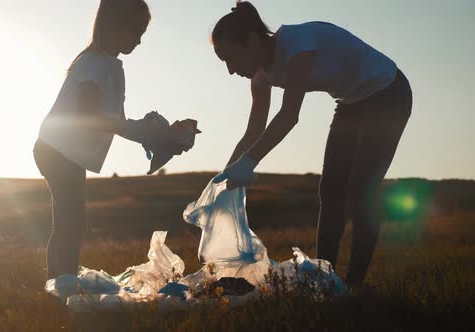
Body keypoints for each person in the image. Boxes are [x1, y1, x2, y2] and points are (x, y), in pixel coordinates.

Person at [212, 1, 412, 286]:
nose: (230, 70)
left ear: (253, 40)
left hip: (388, 93)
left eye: (230, 58)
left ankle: (354, 286)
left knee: (360, 190)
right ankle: (325, 280)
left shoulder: (296, 45)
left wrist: (248, 162)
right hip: (351, 103)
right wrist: (225, 176)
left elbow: (289, 116)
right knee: (330, 191)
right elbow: (254, 130)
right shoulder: (260, 77)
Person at [34, 0, 179, 279]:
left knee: (69, 221)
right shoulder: (94, 63)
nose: (139, 40)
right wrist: (143, 132)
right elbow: (88, 114)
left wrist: (155, 135)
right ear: (114, 27)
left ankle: (60, 282)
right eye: (136, 31)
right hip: (57, 149)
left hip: (65, 152)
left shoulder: (113, 68)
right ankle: (61, 285)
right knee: (71, 222)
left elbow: (118, 124)